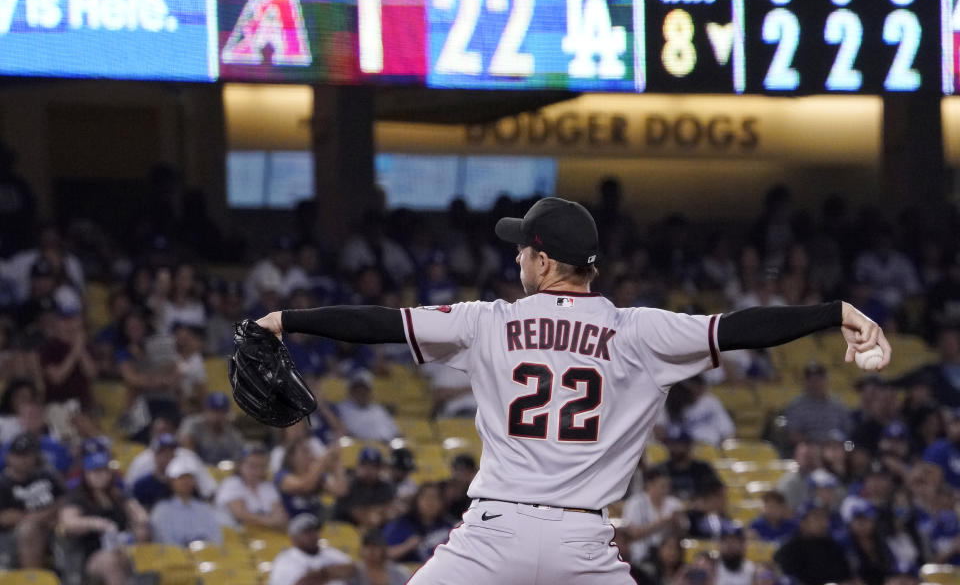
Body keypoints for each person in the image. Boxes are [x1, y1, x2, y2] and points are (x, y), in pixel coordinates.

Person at [254, 196, 892, 584]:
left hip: (491, 536)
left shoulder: (489, 321)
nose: (516, 261)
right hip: (583, 546)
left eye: (522, 251)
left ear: (542, 259)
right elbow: (745, 328)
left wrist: (284, 321)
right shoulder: (639, 330)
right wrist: (833, 310)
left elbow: (378, 324)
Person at [58, 452, 149, 585]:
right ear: (86, 474)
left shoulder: (116, 494)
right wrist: (95, 523)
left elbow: (140, 515)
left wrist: (138, 522)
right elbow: (68, 522)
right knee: (109, 561)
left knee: (143, 544)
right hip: (91, 555)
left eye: (104, 471)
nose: (100, 476)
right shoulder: (78, 497)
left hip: (122, 547)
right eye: (95, 472)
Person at [0, 433, 64, 569]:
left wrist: (43, 516)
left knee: (68, 524)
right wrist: (41, 517)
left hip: (51, 527)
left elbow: (64, 499)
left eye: (27, 455)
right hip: (12, 537)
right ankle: (32, 579)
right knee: (29, 529)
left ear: (35, 456)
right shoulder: (3, 483)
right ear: (8, 456)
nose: (23, 460)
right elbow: (4, 517)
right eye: (18, 455)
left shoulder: (46, 475)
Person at [619, 466, 686, 566]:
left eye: (667, 486)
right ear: (649, 484)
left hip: (667, 556)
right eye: (661, 486)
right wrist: (661, 523)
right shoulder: (635, 503)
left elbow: (684, 533)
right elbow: (632, 534)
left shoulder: (674, 503)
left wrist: (677, 523)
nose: (665, 490)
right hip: (641, 555)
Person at [150, 456, 222, 546]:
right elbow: (165, 542)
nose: (186, 482)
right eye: (181, 478)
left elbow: (216, 538)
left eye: (189, 478)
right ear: (171, 481)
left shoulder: (204, 508)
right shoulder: (161, 511)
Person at [269, 513, 357, 585]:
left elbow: (353, 570)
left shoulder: (330, 552)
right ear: (293, 538)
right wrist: (328, 572)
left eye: (314, 530)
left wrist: (320, 575)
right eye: (306, 532)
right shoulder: (285, 561)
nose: (312, 535)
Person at [215, 444, 287, 531]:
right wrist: (270, 522)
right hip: (235, 535)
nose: (258, 471)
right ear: (240, 465)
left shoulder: (267, 486)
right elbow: (241, 514)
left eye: (262, 466)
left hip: (264, 535)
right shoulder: (231, 483)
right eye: (252, 466)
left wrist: (274, 520)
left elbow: (279, 514)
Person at [774, 504, 851, 585]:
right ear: (803, 522)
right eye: (817, 519)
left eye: (825, 518)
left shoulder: (831, 545)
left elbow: (846, 575)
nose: (824, 523)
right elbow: (784, 577)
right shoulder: (789, 548)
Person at [275, 437, 347, 520]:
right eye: (305, 452)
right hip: (295, 524)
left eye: (310, 451)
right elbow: (304, 485)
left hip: (317, 523)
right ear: (291, 457)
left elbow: (341, 491)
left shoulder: (316, 475)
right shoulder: (282, 475)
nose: (310, 455)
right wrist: (323, 459)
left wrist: (337, 461)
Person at [382, 482, 454, 563]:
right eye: (426, 497)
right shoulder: (401, 524)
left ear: (442, 503)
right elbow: (384, 555)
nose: (430, 502)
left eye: (435, 497)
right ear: (416, 501)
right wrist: (407, 545)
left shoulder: (449, 527)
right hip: (406, 572)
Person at [784, 361, 851, 445]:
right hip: (807, 450)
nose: (815, 383)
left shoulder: (837, 406)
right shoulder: (796, 406)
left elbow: (847, 431)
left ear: (826, 381)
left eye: (818, 379)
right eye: (811, 380)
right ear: (805, 382)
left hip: (834, 450)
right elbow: (793, 434)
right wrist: (813, 445)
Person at [653, 425, 720, 502]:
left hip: (698, 512)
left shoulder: (703, 469)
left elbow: (718, 495)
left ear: (689, 445)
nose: (674, 448)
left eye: (679, 444)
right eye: (670, 443)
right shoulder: (660, 470)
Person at [332, 447, 395, 528]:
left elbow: (391, 512)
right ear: (357, 466)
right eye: (364, 465)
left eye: (374, 466)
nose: (369, 470)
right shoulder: (347, 485)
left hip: (375, 534)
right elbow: (365, 519)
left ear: (380, 469)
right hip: (343, 532)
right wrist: (379, 511)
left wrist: (373, 512)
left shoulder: (385, 487)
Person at [178, 391, 244, 465]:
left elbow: (237, 460)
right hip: (194, 468)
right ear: (205, 410)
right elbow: (186, 451)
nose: (218, 415)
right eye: (214, 411)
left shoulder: (233, 434)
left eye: (222, 411)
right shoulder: (193, 424)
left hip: (221, 473)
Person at [335, 372, 399, 442]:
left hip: (388, 445)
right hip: (363, 447)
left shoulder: (377, 408)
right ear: (351, 392)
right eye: (358, 390)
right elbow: (351, 432)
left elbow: (395, 431)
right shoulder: (343, 409)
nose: (362, 393)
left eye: (364, 390)